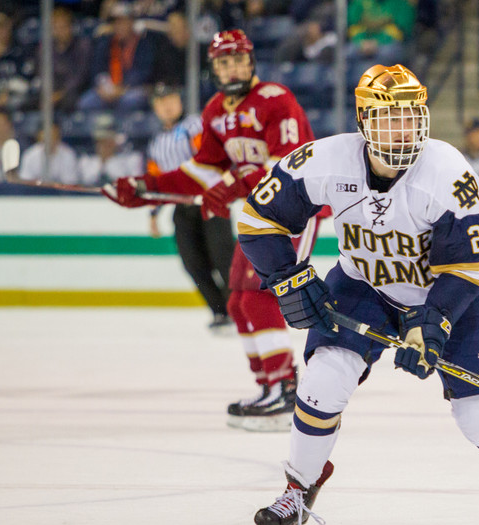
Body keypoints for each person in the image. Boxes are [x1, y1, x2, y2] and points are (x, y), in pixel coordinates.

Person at [238, 64, 479, 525]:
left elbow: (470, 265)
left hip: (445, 294)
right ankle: (298, 489)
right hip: (364, 287)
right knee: (322, 382)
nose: (403, 129)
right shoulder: (327, 160)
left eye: (410, 117)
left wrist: (433, 322)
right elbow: (257, 219)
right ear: (364, 119)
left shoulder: (448, 172)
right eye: (389, 118)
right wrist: (287, 278)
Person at [101, 29, 324, 432]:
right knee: (237, 301)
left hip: (298, 208)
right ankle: (268, 385)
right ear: (214, 69)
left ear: (251, 61)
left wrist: (232, 186)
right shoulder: (216, 110)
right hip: (262, 214)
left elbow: (287, 164)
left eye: (239, 59)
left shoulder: (276, 99)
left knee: (258, 297)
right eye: (224, 62)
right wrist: (145, 188)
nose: (232, 67)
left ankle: (286, 390)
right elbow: (203, 171)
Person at [145, 83, 236, 330]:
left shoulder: (195, 125)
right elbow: (156, 179)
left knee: (224, 258)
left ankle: (239, 309)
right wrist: (153, 213)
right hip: (183, 207)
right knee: (193, 263)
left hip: (210, 200)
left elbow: (209, 157)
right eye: (161, 102)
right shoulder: (156, 143)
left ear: (180, 100)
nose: (167, 106)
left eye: (171, 99)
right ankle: (220, 311)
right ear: (155, 108)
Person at [77, 115, 144, 186]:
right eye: (100, 141)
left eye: (108, 142)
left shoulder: (133, 158)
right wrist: (102, 162)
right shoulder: (86, 160)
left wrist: (110, 161)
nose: (104, 146)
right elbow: (84, 183)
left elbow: (138, 187)